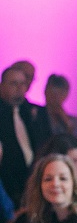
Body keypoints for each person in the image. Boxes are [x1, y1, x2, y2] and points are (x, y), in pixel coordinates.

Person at [0, 66, 48, 208]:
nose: (20, 88)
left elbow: (46, 144)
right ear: (2, 86)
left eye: (23, 84)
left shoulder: (36, 113)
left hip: (35, 185)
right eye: (14, 83)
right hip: (6, 185)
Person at [38, 74, 77, 146]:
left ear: (66, 95)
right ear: (45, 92)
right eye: (53, 93)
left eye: (60, 93)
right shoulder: (35, 115)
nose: (56, 97)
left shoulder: (72, 121)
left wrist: (67, 123)